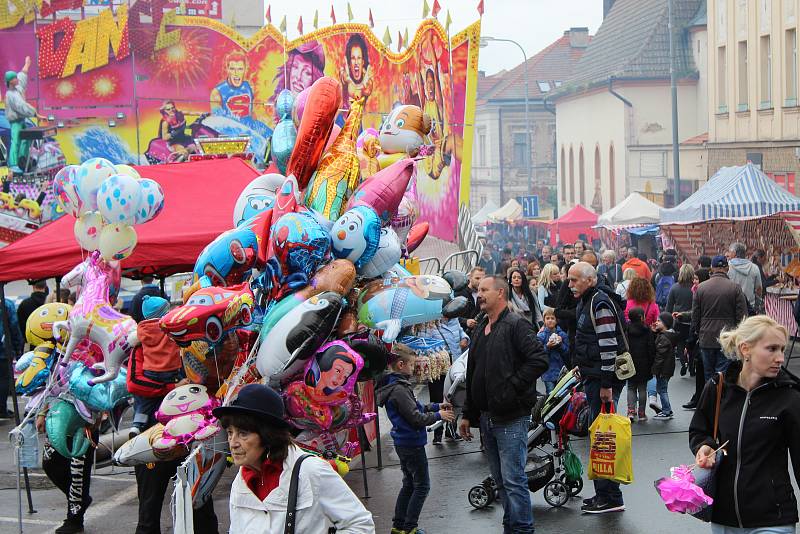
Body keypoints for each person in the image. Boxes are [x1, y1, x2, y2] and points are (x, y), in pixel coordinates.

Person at [690, 315, 800, 533]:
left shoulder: (789, 397)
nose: (779, 358)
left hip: (774, 518)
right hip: (724, 517)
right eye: (771, 349)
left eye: (782, 349)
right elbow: (699, 430)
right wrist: (704, 447)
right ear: (745, 349)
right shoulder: (717, 387)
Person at [214, 384, 374, 533]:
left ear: (267, 435)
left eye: (243, 433)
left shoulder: (311, 471)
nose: (233, 443)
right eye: (230, 433)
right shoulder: (240, 483)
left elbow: (360, 524)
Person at [459, 275, 547, 533]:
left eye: (485, 290)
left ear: (501, 293)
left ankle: (522, 529)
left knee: (513, 479)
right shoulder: (481, 326)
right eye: (479, 290)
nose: (479, 294)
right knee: (500, 481)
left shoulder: (516, 324)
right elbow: (473, 371)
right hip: (486, 417)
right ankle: (511, 526)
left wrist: (511, 387)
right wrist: (468, 413)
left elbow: (539, 360)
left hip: (511, 416)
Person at [128, 297, 219, 534]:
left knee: (199, 501)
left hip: (191, 432)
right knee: (150, 503)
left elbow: (204, 378)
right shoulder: (141, 345)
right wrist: (174, 387)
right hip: (154, 433)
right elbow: (135, 383)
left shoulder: (188, 342)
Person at [377, 344, 455, 533]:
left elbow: (417, 407)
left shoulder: (397, 386)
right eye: (412, 365)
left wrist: (437, 406)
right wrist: (439, 416)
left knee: (409, 484)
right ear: (401, 364)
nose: (414, 368)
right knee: (422, 487)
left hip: (405, 443)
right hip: (411, 444)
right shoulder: (399, 390)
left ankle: (399, 526)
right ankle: (410, 527)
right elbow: (416, 418)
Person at [568, 262, 626, 513]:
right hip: (594, 376)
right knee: (599, 437)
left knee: (602, 438)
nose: (569, 285)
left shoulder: (599, 303)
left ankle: (610, 497)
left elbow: (608, 345)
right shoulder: (589, 300)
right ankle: (605, 493)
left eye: (574, 280)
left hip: (603, 380)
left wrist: (605, 383)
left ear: (590, 280)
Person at [36, 401, 98, 533]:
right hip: (57, 422)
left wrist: (98, 419)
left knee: (77, 475)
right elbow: (50, 389)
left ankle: (74, 520)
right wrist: (42, 413)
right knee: (49, 464)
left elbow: (103, 394)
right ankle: (81, 500)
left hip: (82, 425)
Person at [691, 255, 748, 382]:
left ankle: (711, 399)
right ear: (727, 268)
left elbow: (695, 315)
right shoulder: (735, 288)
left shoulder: (701, 288)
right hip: (728, 337)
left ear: (712, 268)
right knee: (723, 374)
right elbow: (742, 316)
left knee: (709, 374)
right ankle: (721, 400)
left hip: (706, 337)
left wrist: (698, 331)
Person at [5, 56, 43, 173]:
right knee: (16, 141)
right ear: (10, 81)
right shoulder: (11, 94)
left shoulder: (17, 88)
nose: (17, 79)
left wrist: (27, 64)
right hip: (15, 122)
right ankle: (14, 164)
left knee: (26, 140)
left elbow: (22, 76)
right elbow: (22, 106)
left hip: (22, 121)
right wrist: (35, 114)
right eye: (14, 78)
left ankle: (23, 160)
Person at [625, 307, 655, 422]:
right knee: (642, 388)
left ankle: (631, 411)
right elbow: (651, 347)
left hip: (630, 362)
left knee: (631, 387)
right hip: (644, 363)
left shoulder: (627, 329)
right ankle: (642, 413)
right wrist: (651, 362)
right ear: (641, 317)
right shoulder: (647, 330)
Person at [667, 264, 696, 377]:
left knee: (680, 343)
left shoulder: (675, 287)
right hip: (693, 320)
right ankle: (692, 365)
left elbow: (669, 306)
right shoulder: (696, 287)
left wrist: (668, 322)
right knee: (692, 344)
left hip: (679, 320)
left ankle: (683, 362)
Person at [652, 312, 679, 420]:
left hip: (663, 370)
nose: (656, 322)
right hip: (667, 369)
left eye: (659, 321)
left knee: (662, 390)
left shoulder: (663, 339)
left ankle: (666, 411)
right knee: (662, 389)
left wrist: (654, 369)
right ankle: (667, 409)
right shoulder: (667, 336)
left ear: (666, 323)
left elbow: (660, 357)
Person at [537, 308, 569, 395]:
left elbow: (567, 352)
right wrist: (547, 346)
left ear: (556, 320)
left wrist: (560, 344)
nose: (550, 320)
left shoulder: (562, 334)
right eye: (548, 318)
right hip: (547, 373)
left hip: (560, 372)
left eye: (552, 318)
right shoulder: (541, 336)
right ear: (544, 320)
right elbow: (539, 353)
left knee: (562, 395)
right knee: (550, 396)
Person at [0, 297, 22, 417]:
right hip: (3, 348)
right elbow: (14, 326)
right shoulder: (6, 304)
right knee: (3, 379)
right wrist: (18, 346)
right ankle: (1, 409)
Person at [726, 242, 762, 315]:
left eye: (729, 252)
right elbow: (759, 289)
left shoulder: (727, 267)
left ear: (734, 253)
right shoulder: (754, 268)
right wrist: (757, 304)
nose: (728, 254)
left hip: (731, 306)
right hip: (749, 307)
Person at [339, 34, 373, 107]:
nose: (356, 63)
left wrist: (365, 81)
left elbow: (360, 94)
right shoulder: (344, 73)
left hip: (364, 117)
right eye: (353, 58)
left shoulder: (368, 79)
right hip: (344, 117)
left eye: (359, 58)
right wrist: (348, 80)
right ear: (349, 63)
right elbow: (353, 92)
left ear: (363, 61)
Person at [456, 266, 484, 336]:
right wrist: (465, 321)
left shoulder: (483, 294)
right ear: (470, 278)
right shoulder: (460, 293)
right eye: (477, 278)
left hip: (476, 334)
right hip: (460, 334)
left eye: (483, 279)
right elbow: (450, 316)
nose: (480, 281)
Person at [751, 249, 778, 313]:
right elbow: (764, 284)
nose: (765, 260)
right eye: (764, 258)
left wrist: (773, 276)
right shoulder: (757, 267)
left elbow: (763, 281)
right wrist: (777, 281)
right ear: (760, 258)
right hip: (758, 297)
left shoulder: (755, 266)